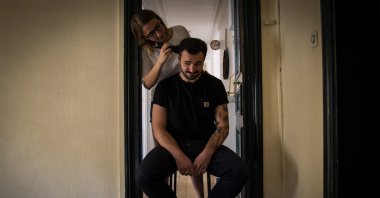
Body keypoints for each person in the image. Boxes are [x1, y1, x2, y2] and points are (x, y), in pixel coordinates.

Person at [135, 37, 249, 198]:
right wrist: (179, 156)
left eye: (198, 64)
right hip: (173, 145)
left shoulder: (214, 85)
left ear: (203, 61)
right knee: (143, 176)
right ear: (179, 58)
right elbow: (158, 127)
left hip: (204, 143)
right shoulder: (164, 87)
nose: (192, 69)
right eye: (187, 63)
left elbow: (223, 126)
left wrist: (207, 152)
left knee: (239, 171)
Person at [130, 9, 205, 197]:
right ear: (144, 37)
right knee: (162, 158)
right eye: (151, 33)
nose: (159, 33)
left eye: (158, 26)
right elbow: (147, 83)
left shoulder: (179, 31)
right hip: (162, 103)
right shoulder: (145, 50)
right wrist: (161, 60)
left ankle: (200, 195)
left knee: (194, 151)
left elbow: (190, 57)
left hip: (187, 97)